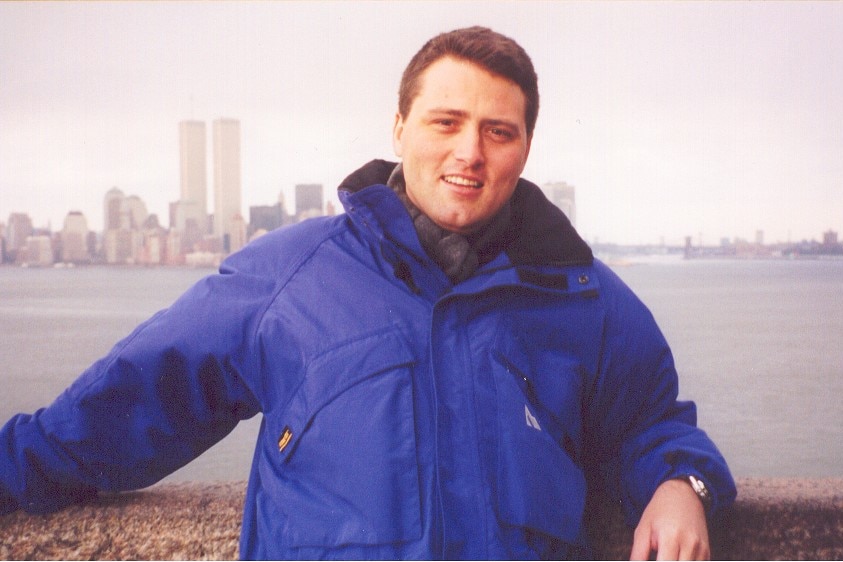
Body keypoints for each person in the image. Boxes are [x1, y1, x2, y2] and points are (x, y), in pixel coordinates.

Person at [0, 27, 735, 559]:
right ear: (400, 127)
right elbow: (133, 401)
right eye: (444, 122)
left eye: (497, 131)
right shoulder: (293, 274)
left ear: (525, 147)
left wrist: (682, 485)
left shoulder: (584, 301)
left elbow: (650, 425)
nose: (468, 152)